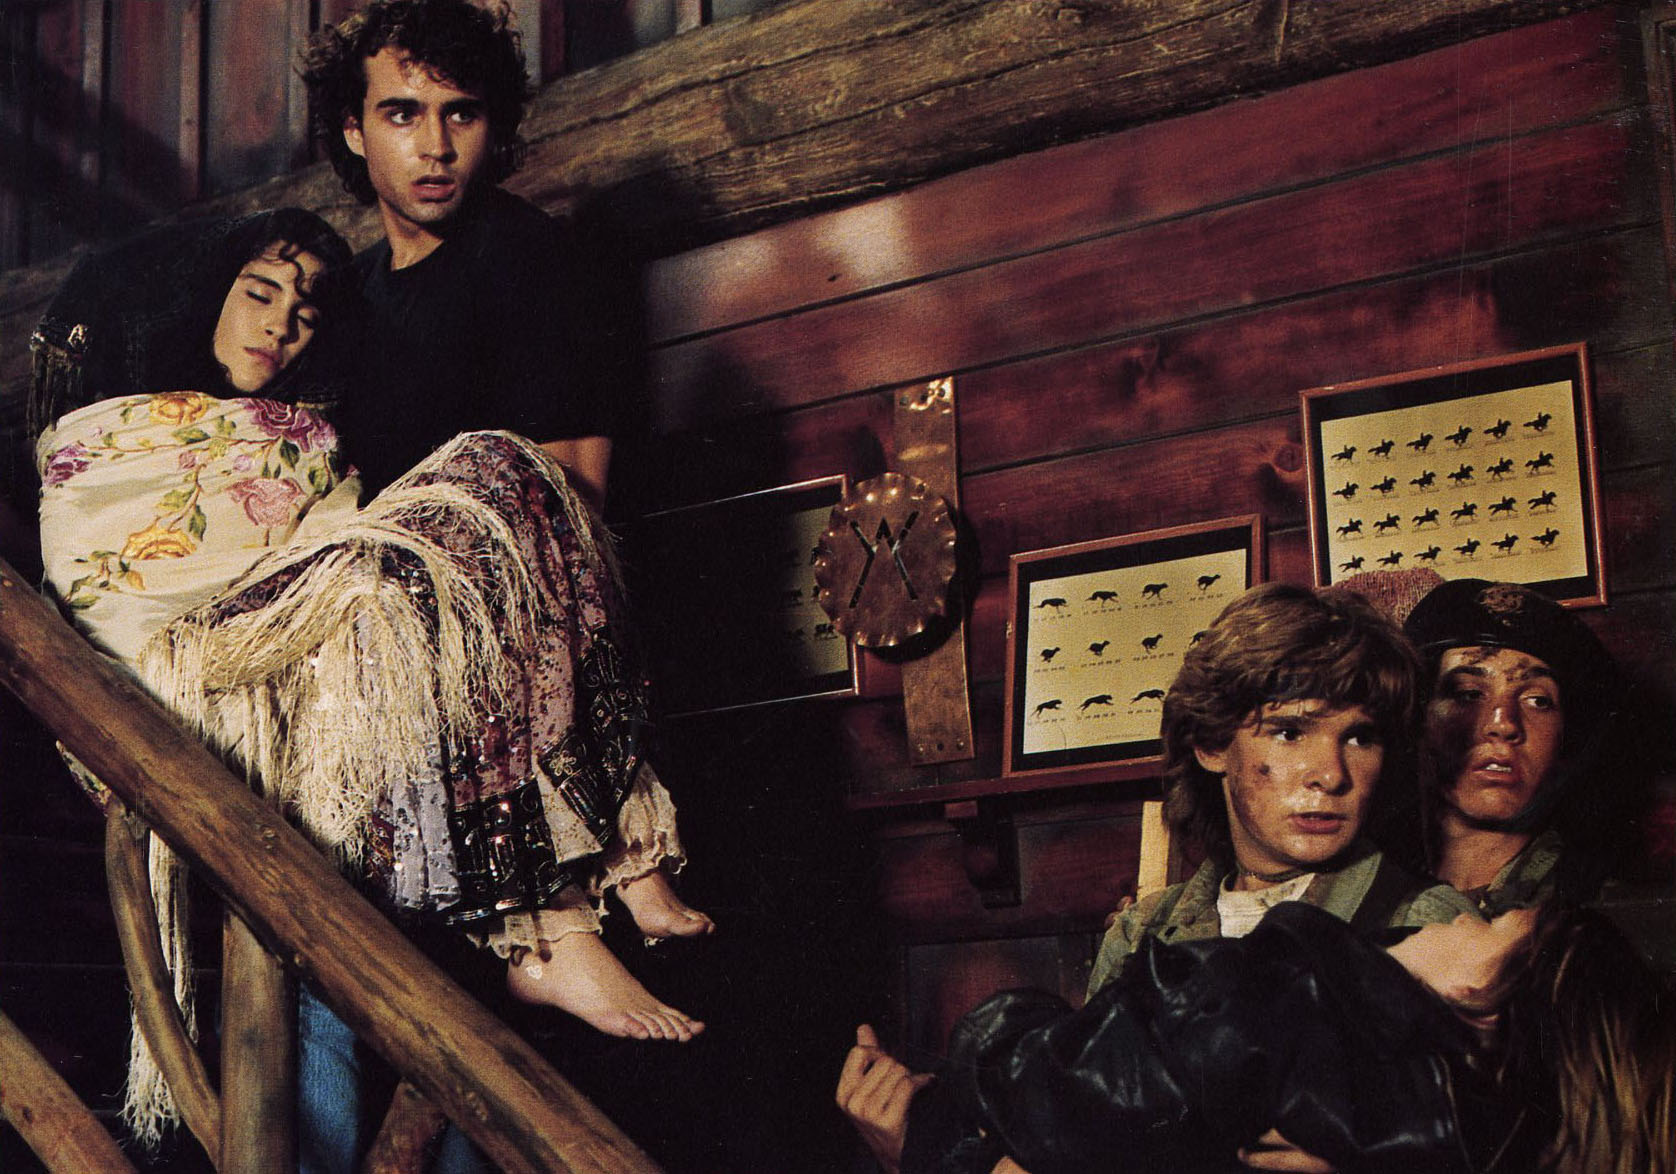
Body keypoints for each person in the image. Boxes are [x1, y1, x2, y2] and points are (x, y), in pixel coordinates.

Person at [29, 210, 710, 1165]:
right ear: (210, 295)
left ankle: (600, 878)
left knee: (505, 478)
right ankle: (548, 927)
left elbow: (335, 557)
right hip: (208, 695)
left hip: (329, 696)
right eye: (260, 293)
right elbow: (117, 589)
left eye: (305, 312)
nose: (280, 324)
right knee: (477, 489)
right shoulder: (115, 434)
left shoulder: (308, 439)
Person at [840, 583, 1480, 1171]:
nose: (1331, 774)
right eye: (1290, 732)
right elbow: (1084, 1145)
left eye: (1361, 737)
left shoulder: (1429, 925)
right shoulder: (1145, 931)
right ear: (1212, 745)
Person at [843, 897, 1675, 1174]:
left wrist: (930, 1142)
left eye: (1488, 921)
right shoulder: (1157, 918)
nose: (1462, 913)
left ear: (1483, 1000)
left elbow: (1051, 1098)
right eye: (1287, 730)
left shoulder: (1287, 995)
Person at [299, 0, 617, 507]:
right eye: (402, 114)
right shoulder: (351, 287)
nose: (436, 146)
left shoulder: (530, 258)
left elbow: (573, 506)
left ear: (492, 128)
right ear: (354, 131)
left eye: (461, 113)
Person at [1399, 578, 1621, 914]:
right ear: (1418, 714)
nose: (1503, 724)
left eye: (1538, 701)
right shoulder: (1361, 887)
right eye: (1468, 694)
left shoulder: (1596, 907)